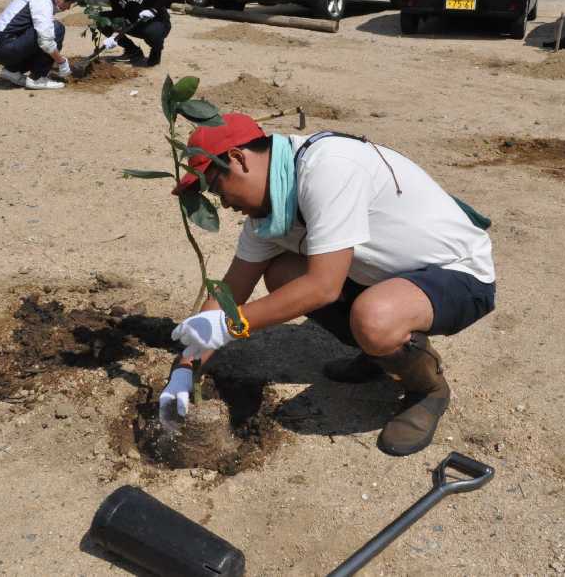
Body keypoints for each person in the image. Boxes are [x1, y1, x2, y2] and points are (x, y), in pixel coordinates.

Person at [161, 115, 497, 457]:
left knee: (374, 319)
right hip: (388, 277)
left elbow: (323, 287)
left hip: (458, 273)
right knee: (283, 276)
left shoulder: (327, 168)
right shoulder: (270, 213)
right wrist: (185, 370)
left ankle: (427, 389)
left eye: (218, 188)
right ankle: (380, 354)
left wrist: (233, 324)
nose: (225, 204)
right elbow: (231, 291)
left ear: (238, 158)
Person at [0, 0, 80, 90]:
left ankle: (12, 71)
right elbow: (46, 42)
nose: (68, 8)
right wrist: (61, 61)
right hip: (5, 48)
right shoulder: (42, 1)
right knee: (56, 28)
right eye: (69, 3)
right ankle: (37, 79)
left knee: (44, 32)